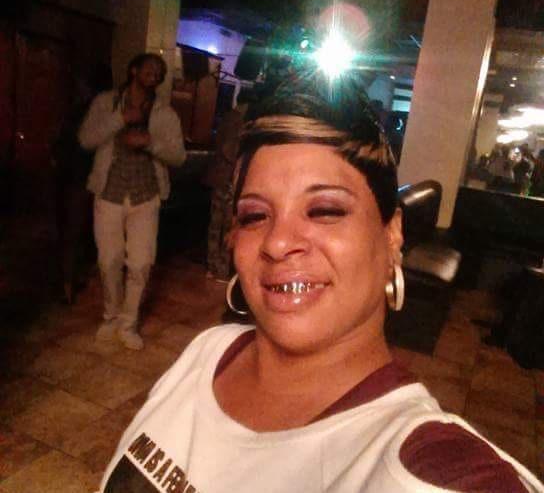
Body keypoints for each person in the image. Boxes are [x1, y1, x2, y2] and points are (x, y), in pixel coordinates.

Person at [97, 69, 544, 492]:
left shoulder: (427, 467)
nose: (278, 242)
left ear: (392, 234)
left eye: (325, 210)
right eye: (255, 216)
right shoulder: (207, 351)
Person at [79, 53, 185, 350]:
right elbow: (85, 139)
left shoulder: (165, 113)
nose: (156, 73)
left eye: (160, 71)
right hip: (109, 193)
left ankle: (128, 323)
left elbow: (178, 156)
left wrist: (150, 143)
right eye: (150, 67)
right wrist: (121, 119)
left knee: (140, 264)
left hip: (146, 196)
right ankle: (111, 317)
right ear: (133, 70)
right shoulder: (106, 102)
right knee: (108, 261)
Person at [53, 63, 113, 304]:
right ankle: (72, 280)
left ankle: (67, 283)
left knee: (73, 232)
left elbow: (65, 144)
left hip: (78, 177)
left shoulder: (82, 111)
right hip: (90, 178)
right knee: (84, 232)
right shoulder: (105, 111)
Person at [203, 89, 253, 281]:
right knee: (226, 225)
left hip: (218, 178)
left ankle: (212, 266)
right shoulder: (238, 121)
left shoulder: (227, 117)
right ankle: (221, 269)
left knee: (215, 225)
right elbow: (228, 149)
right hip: (227, 180)